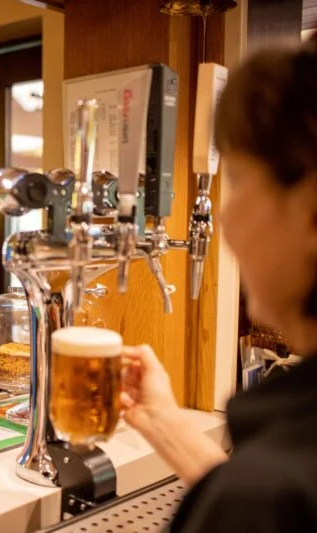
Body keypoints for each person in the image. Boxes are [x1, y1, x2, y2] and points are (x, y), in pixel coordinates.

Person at [121, 35, 317, 532]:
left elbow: (261, 500)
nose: (225, 218)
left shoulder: (270, 490)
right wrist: (162, 421)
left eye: (242, 180)